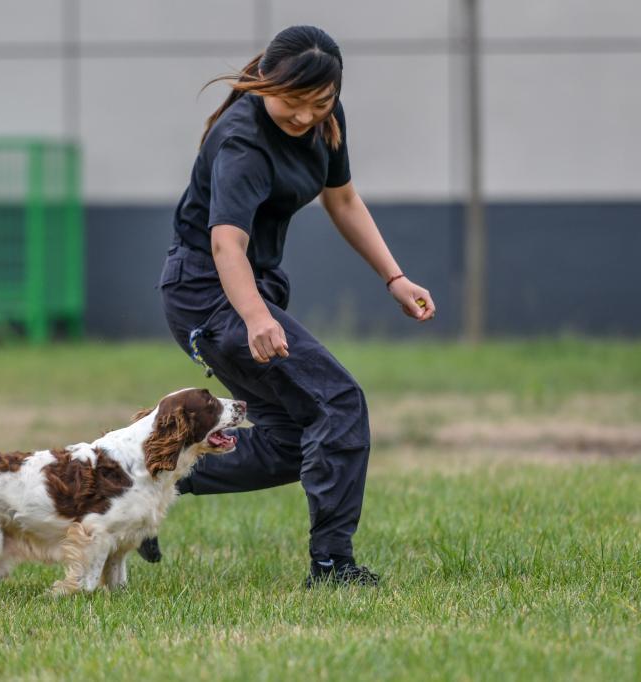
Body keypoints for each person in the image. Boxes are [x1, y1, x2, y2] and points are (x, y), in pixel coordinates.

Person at [141, 25, 436, 587]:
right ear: (265, 82)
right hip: (209, 293)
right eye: (292, 101)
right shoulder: (242, 141)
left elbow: (342, 198)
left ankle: (151, 476)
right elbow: (226, 246)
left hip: (252, 288)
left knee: (294, 441)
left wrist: (394, 277)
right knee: (337, 401)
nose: (304, 115)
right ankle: (332, 565)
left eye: (319, 102)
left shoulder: (326, 116)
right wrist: (255, 317)